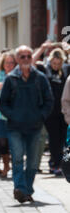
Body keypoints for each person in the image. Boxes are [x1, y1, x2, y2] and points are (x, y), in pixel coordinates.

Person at [0, 45, 54, 204]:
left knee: (32, 162)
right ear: (17, 59)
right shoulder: (11, 79)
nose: (26, 59)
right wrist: (12, 115)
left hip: (35, 127)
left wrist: (41, 116)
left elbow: (49, 101)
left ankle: (26, 190)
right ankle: (20, 189)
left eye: (28, 56)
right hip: (15, 127)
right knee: (17, 159)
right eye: (22, 56)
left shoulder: (40, 78)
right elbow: (2, 104)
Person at [37, 48, 69, 176]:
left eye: (58, 63)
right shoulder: (45, 70)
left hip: (64, 112)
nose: (56, 66)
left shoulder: (66, 70)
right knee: (54, 139)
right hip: (50, 112)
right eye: (54, 63)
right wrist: (42, 49)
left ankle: (58, 163)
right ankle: (55, 164)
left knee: (62, 140)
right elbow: (33, 63)